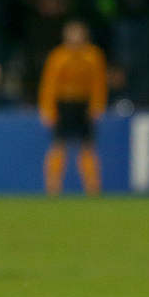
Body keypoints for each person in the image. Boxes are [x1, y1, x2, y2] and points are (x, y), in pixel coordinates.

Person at [38, 19, 106, 195]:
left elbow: (98, 83)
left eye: (79, 34)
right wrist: (48, 109)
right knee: (58, 145)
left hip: (83, 104)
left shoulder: (93, 55)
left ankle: (92, 186)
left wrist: (97, 106)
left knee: (87, 146)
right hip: (64, 104)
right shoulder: (58, 56)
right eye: (72, 34)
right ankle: (52, 186)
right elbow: (49, 85)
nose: (75, 38)